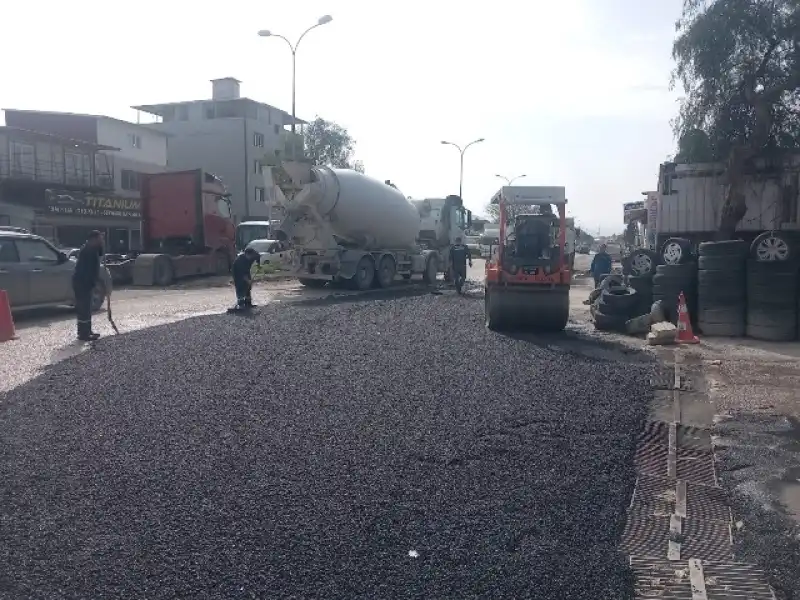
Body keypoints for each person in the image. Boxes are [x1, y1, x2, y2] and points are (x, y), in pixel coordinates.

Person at [72, 230, 105, 341]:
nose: (101, 241)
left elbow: (100, 254)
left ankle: (87, 331)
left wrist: (101, 246)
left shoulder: (92, 249)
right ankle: (83, 334)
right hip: (82, 283)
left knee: (87, 309)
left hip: (86, 283)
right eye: (99, 239)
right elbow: (85, 271)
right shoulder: (87, 250)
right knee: (84, 309)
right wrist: (90, 283)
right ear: (93, 239)